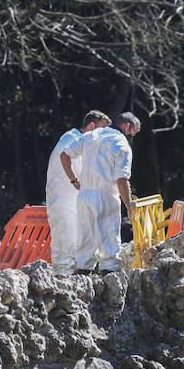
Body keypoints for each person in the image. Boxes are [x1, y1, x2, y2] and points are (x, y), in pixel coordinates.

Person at [60, 111, 141, 274]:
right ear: (127, 126)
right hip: (106, 196)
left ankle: (83, 273)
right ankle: (110, 275)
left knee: (85, 238)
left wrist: (74, 180)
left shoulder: (90, 136)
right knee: (109, 239)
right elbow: (122, 180)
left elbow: (64, 155)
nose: (133, 137)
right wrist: (129, 207)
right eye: (134, 133)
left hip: (84, 195)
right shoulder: (122, 144)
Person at [45, 110, 111, 274]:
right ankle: (62, 288)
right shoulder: (72, 139)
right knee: (65, 249)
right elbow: (66, 158)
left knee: (78, 249)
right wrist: (75, 181)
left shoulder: (83, 142)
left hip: (74, 204)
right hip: (63, 202)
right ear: (91, 126)